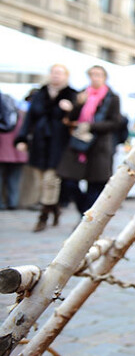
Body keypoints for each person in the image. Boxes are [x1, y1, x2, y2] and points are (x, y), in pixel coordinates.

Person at [14, 64, 77, 231]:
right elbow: (29, 119)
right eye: (54, 73)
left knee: (51, 181)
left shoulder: (71, 95)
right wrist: (22, 138)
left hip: (59, 144)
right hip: (39, 142)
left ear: (66, 76)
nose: (56, 76)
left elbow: (79, 120)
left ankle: (43, 216)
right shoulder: (40, 94)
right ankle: (54, 209)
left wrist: (71, 110)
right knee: (40, 181)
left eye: (59, 73)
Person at [57, 65, 122, 216]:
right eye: (92, 75)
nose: (95, 78)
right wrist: (78, 104)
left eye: (98, 75)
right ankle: (84, 210)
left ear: (104, 78)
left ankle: (86, 219)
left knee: (95, 184)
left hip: (99, 146)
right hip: (78, 144)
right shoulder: (82, 94)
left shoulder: (112, 97)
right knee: (68, 181)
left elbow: (115, 122)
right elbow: (71, 119)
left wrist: (91, 126)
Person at [0, 96, 28, 210]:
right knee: (14, 180)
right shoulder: (21, 115)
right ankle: (12, 202)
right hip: (18, 154)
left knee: (3, 179)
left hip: (4, 153)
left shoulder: (3, 117)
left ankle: (4, 203)